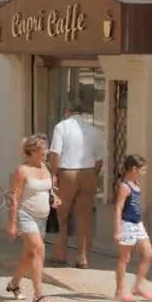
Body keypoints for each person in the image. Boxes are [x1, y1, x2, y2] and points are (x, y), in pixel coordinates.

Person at [7, 134, 61, 302]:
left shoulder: (45, 167)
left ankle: (14, 284)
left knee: (30, 255)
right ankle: (38, 295)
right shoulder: (22, 170)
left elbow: (49, 190)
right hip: (26, 215)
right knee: (39, 250)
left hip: (42, 217)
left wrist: (54, 197)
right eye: (42, 149)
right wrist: (12, 224)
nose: (45, 152)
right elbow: (14, 198)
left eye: (45, 148)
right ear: (32, 151)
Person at [49, 101, 103, 268]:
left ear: (68, 111)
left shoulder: (61, 127)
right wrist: (92, 174)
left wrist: (53, 173)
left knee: (62, 216)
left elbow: (55, 154)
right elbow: (100, 159)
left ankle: (60, 255)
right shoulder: (95, 130)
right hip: (88, 172)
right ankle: (83, 258)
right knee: (84, 218)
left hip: (68, 172)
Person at [114, 154, 152, 302]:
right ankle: (119, 291)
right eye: (142, 169)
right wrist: (118, 229)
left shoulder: (136, 183)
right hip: (127, 224)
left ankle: (137, 286)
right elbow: (119, 208)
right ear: (133, 169)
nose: (144, 171)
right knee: (125, 258)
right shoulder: (124, 186)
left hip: (138, 224)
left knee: (149, 254)